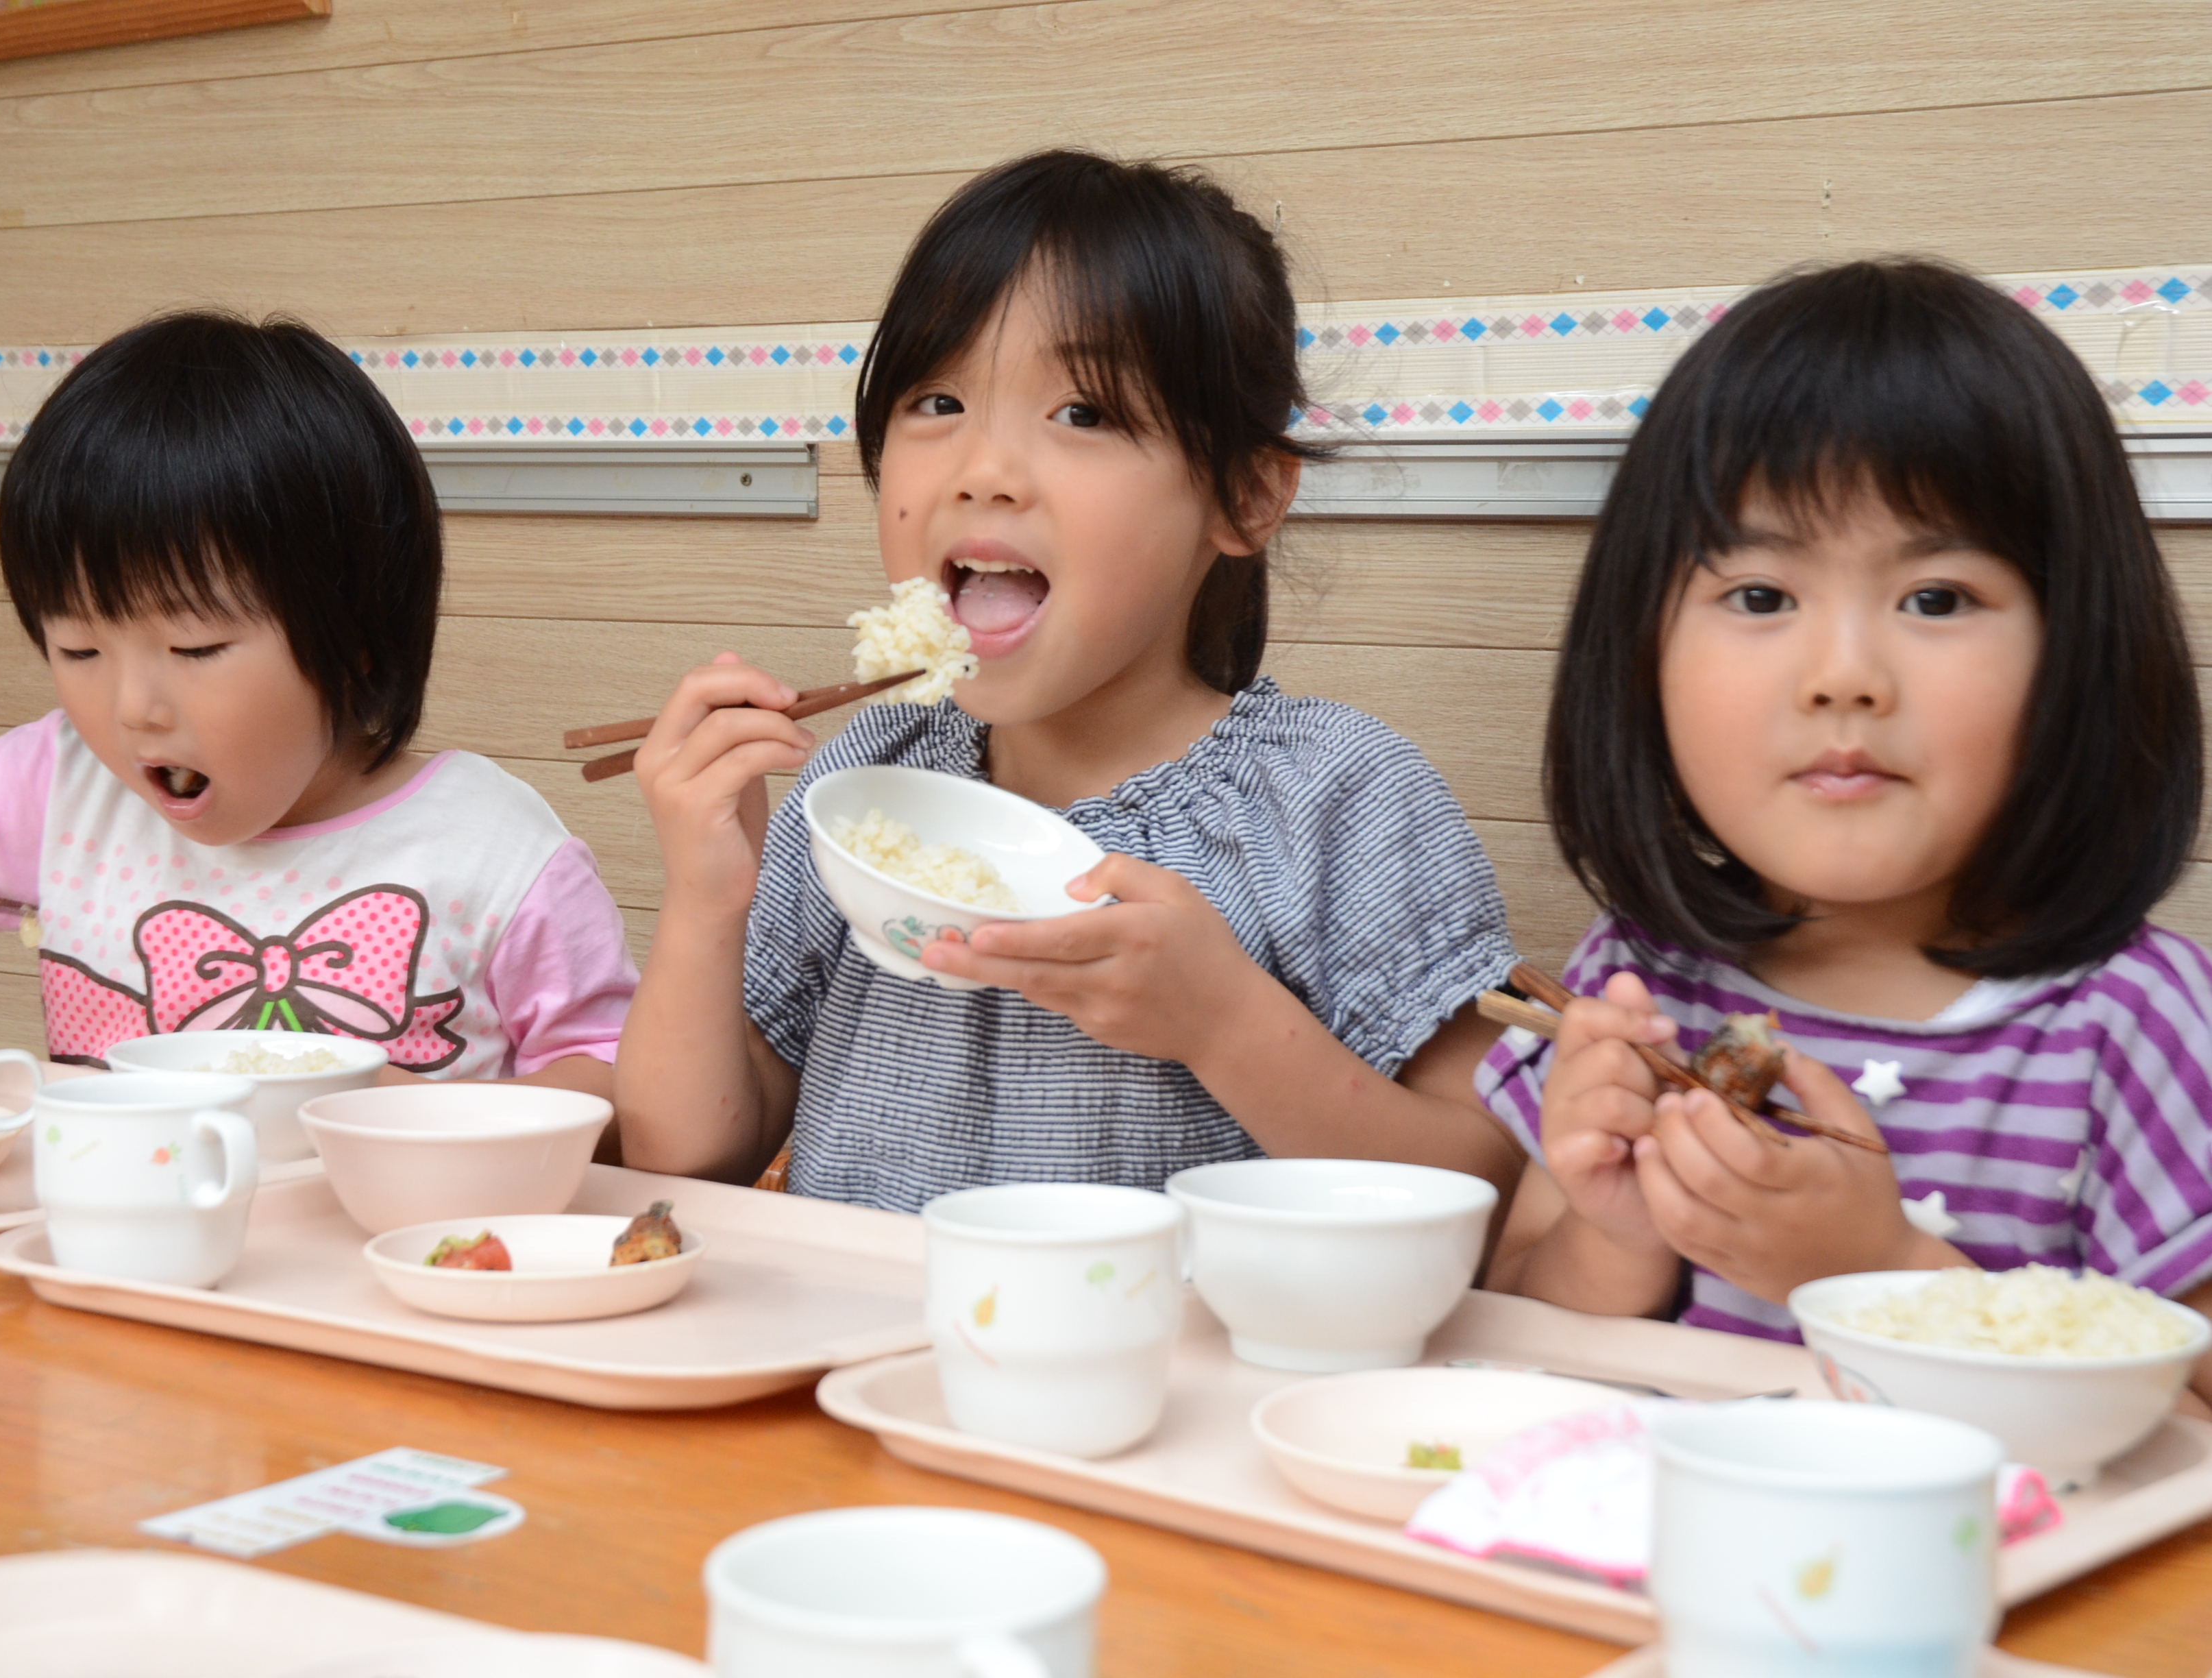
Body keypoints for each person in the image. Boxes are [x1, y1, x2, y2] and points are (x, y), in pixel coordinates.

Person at [615, 149, 1523, 1210]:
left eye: (1084, 413)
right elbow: (688, 1157)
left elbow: (1489, 1185)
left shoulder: (1336, 799)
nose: (983, 469)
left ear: (1244, 496)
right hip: (849, 1365)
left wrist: (1225, 1026)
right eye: (939, 399)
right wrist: (705, 896)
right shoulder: (869, 782)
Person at [1481, 258, 2212, 1371]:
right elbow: (1518, 1340)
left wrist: (1879, 1269)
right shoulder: (1645, 980)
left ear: (2081, 654)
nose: (1844, 678)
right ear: (1639, 654)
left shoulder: (2133, 1025)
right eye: (1762, 597)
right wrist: (1610, 1228)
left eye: (1937, 599)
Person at [0, 312, 636, 1089]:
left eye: (195, 647)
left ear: (353, 641)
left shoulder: (493, 850)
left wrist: (435, 1124)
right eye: (79, 647)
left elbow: (607, 1075)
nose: (133, 708)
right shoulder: (63, 786)